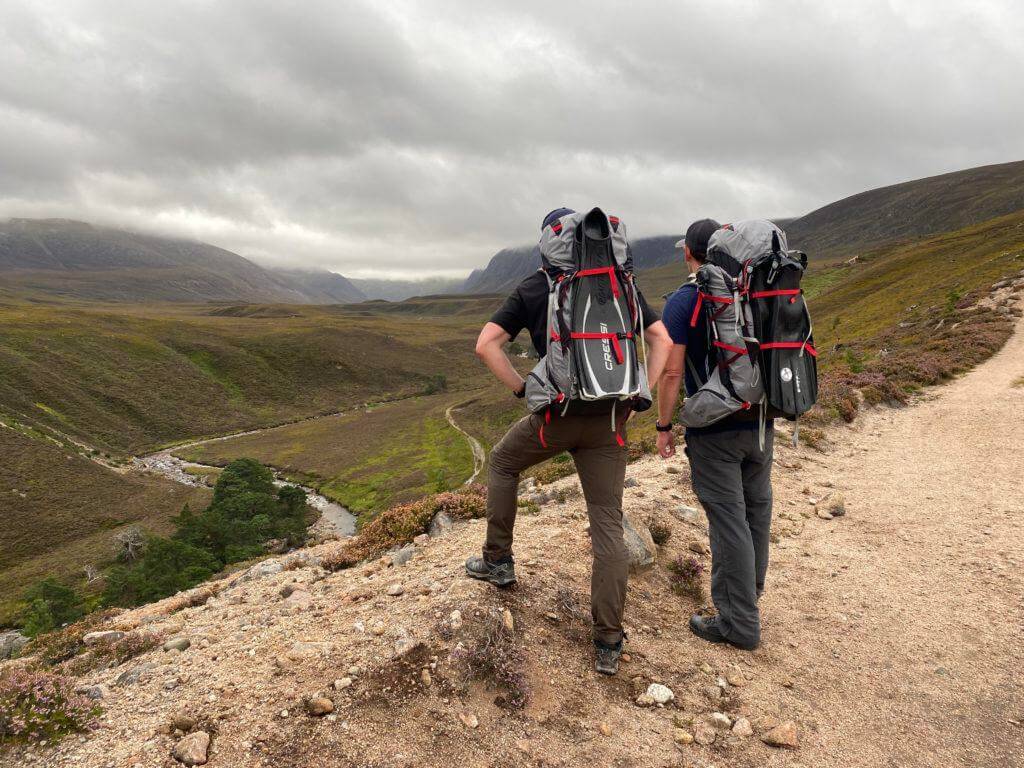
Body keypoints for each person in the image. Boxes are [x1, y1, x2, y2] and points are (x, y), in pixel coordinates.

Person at [466, 207, 673, 675]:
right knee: (607, 522)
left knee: (501, 464)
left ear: (549, 244)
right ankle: (607, 641)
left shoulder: (537, 286)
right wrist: (638, 394)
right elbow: (660, 339)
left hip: (556, 416)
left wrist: (522, 389)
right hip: (609, 423)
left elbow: (485, 345)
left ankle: (498, 561)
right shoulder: (618, 284)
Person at [656, 218, 773, 651]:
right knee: (756, 511)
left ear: (688, 252)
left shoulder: (685, 300)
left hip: (715, 430)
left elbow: (671, 372)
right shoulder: (752, 291)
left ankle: (738, 622)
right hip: (762, 420)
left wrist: (665, 426)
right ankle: (749, 598)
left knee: (728, 523)